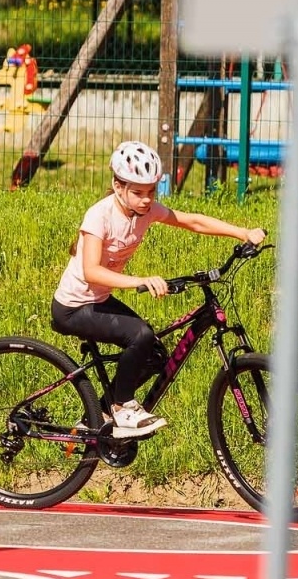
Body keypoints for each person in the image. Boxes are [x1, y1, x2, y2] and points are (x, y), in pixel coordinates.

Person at [52, 140, 265, 439]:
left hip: (98, 300)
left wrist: (242, 232)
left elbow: (191, 221)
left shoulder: (145, 212)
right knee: (140, 335)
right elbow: (91, 271)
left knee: (154, 355)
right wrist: (139, 280)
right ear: (117, 186)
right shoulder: (98, 216)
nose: (146, 199)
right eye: (138, 192)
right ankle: (123, 407)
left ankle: (100, 416)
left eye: (151, 191)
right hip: (73, 307)